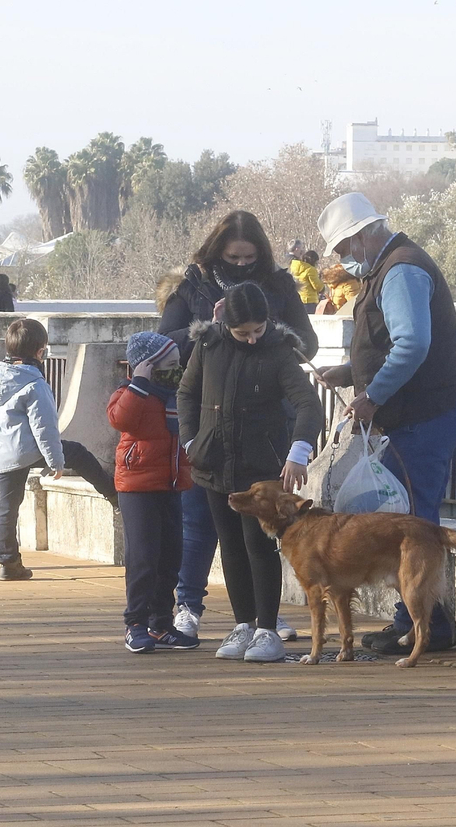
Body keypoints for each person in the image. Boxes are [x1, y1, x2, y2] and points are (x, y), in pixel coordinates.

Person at [312, 192, 456, 656]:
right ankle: (423, 620)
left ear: (362, 237)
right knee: (409, 514)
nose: (342, 260)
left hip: (424, 413)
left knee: (411, 521)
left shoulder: (400, 269)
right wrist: (352, 373)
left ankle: (422, 624)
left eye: (343, 249)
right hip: (422, 410)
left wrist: (371, 396)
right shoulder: (392, 265)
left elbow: (411, 345)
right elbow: (394, 345)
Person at [157, 209, 318, 639]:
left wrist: (269, 333)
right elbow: (166, 346)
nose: (242, 263)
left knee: (258, 538)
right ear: (217, 251)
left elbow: (308, 348)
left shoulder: (281, 284)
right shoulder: (191, 284)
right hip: (211, 431)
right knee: (203, 527)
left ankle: (263, 616)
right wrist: (210, 331)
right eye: (234, 257)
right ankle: (189, 604)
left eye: (250, 258)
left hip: (264, 430)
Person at [178, 282, 323, 663]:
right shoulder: (208, 344)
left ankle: (266, 629)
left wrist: (299, 451)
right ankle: (243, 624)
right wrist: (191, 441)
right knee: (230, 544)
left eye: (259, 330)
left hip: (260, 465)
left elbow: (308, 403)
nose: (253, 339)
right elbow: (187, 393)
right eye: (244, 332)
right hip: (213, 461)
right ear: (226, 322)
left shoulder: (278, 350)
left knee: (258, 545)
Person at [108, 332, 197, 653]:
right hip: (137, 486)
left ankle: (161, 623)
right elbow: (121, 420)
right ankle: (136, 623)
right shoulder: (129, 392)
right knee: (143, 557)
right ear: (147, 366)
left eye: (179, 365)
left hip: (172, 484)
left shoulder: (178, 394)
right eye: (170, 366)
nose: (177, 371)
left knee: (171, 555)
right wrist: (139, 384)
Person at [0, 318, 63, 582]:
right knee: (80, 454)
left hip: (4, 454)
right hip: (29, 450)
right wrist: (55, 461)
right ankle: (112, 494)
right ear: (40, 353)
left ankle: (8, 562)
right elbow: (45, 427)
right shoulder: (35, 384)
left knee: (6, 508)